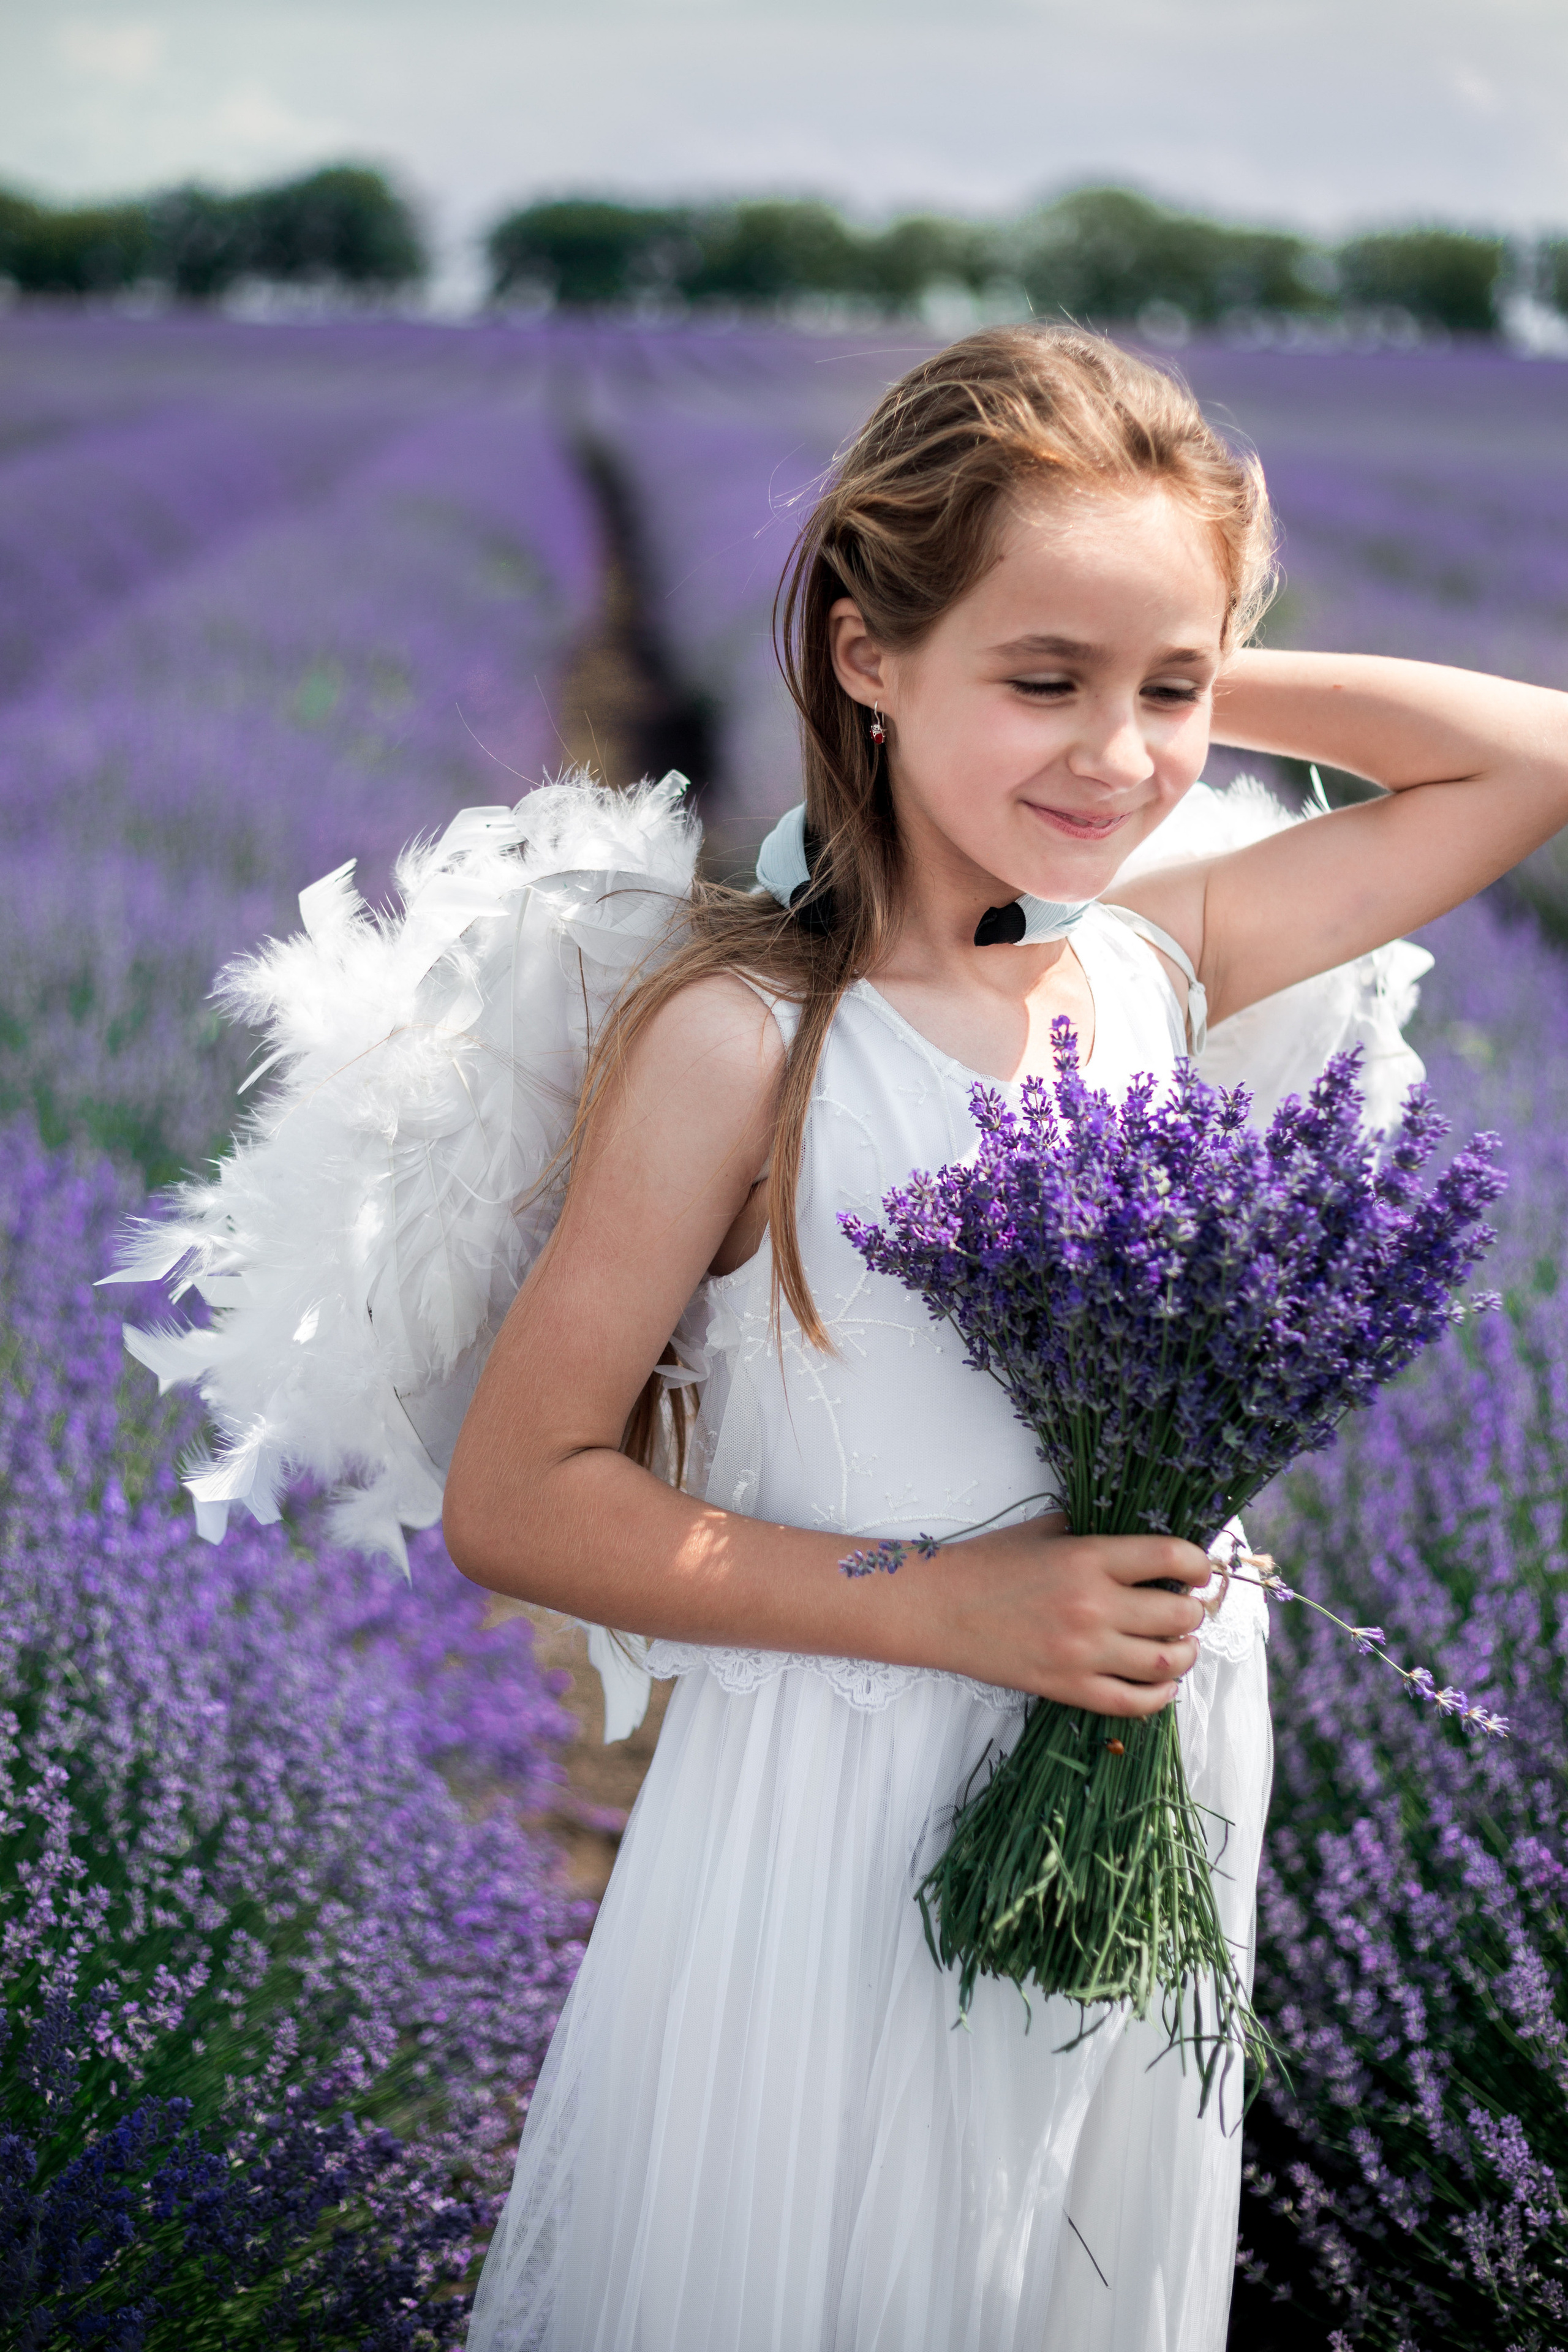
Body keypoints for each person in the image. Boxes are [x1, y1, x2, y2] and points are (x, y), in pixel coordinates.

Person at [447, 326, 1568, 2351]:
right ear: (868, 656)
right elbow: (523, 1499)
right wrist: (948, 1608)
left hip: (1150, 1764)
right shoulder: (745, 1041)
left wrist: (1176, 644)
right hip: (856, 1773)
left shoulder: (1158, 959)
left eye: (1174, 692)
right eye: (1040, 679)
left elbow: (1534, 757)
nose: (1121, 755)